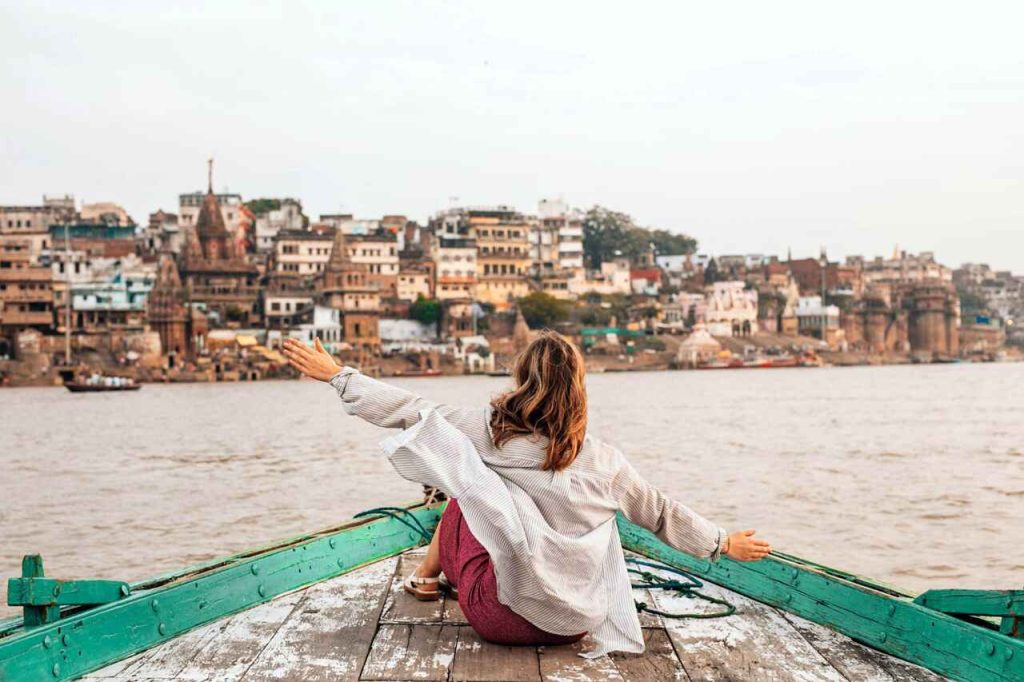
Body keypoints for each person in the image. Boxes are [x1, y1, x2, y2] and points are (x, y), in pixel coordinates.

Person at [283, 331, 770, 656]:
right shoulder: (605, 462)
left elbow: (410, 409)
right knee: (494, 494)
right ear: (579, 388)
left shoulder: (486, 432)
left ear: (522, 379)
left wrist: (337, 375)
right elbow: (659, 511)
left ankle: (426, 580)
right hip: (575, 622)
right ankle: (455, 571)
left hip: (500, 619)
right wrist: (723, 543)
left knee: (464, 489)